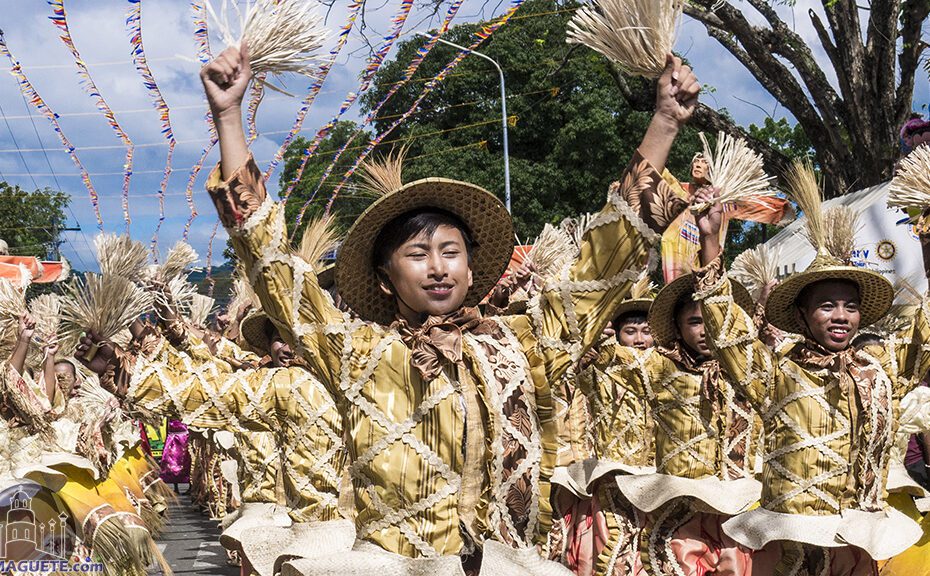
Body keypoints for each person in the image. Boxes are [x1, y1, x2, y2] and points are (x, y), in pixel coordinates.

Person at [79, 44, 699, 574]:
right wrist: (230, 116)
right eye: (418, 253)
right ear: (384, 275)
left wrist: (665, 122)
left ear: (470, 266)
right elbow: (276, 272)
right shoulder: (361, 354)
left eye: (451, 251)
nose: (437, 266)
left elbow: (598, 273)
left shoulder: (519, 344)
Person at [692, 182, 930, 575]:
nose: (840, 316)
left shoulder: (879, 368)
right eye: (826, 305)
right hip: (788, 544)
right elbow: (728, 333)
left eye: (850, 306)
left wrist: (927, 245)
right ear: (802, 315)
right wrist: (710, 240)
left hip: (855, 542)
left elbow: (923, 333)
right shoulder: (776, 372)